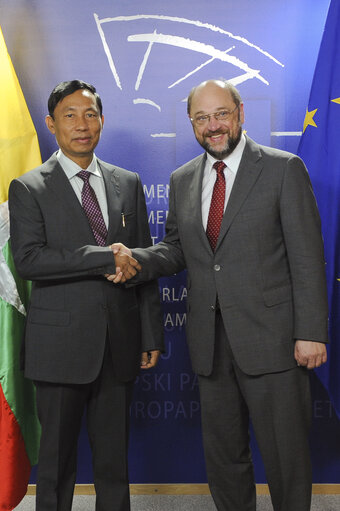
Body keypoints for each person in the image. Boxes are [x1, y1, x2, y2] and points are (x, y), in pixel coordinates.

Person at [108, 79, 329, 511]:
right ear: (191, 124)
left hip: (275, 342)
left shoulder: (283, 169)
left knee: (287, 459)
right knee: (224, 458)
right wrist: (134, 258)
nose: (213, 126)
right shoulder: (182, 178)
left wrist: (311, 333)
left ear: (240, 113)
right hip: (210, 344)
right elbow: (175, 249)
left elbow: (307, 258)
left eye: (221, 114)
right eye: (202, 118)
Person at [8, 80, 163, 511]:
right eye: (70, 115)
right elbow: (31, 261)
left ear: (102, 121)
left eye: (90, 114)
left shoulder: (127, 182)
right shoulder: (28, 187)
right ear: (51, 124)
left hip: (119, 343)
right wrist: (104, 257)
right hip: (58, 348)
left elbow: (143, 263)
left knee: (114, 465)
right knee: (57, 467)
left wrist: (150, 333)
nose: (82, 124)